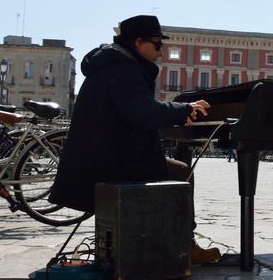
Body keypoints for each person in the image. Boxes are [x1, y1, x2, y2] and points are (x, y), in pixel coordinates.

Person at [49, 15, 219, 264]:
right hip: (109, 165)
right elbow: (141, 112)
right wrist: (183, 109)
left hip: (98, 158)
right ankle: (184, 244)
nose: (160, 53)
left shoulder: (111, 64)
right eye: (157, 45)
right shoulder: (124, 68)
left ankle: (162, 238)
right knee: (181, 172)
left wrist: (174, 113)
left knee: (169, 167)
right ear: (139, 42)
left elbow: (134, 112)